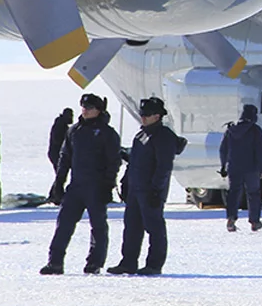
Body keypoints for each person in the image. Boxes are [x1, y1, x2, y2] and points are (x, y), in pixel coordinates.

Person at [40, 93, 121, 275]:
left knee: (98, 226)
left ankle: (94, 263)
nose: (85, 111)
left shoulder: (107, 133)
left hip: (96, 187)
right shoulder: (74, 131)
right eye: (83, 107)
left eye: (89, 108)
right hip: (76, 187)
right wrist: (59, 183)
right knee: (64, 224)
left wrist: (108, 186)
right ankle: (55, 262)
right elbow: (65, 157)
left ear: (98, 111)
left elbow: (113, 161)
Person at [108, 97, 187, 276]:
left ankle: (154, 264)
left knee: (154, 227)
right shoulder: (141, 134)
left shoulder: (163, 136)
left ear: (158, 116)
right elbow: (135, 161)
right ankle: (128, 262)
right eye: (142, 114)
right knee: (132, 227)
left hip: (150, 191)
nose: (143, 118)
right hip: (136, 190)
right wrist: (126, 182)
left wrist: (156, 190)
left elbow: (164, 166)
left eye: (147, 114)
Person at [219, 104, 262, 231]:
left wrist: (223, 165)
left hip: (234, 167)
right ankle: (255, 221)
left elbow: (223, 149)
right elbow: (260, 151)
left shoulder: (230, 129)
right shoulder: (255, 130)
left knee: (233, 193)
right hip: (251, 168)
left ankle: (231, 219)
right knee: (253, 194)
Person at [48, 107, 74, 172]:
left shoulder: (63, 125)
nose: (72, 118)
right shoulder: (60, 125)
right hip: (56, 154)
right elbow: (57, 139)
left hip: (58, 154)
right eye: (70, 116)